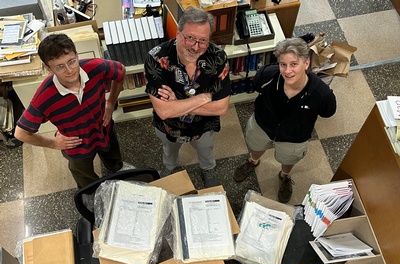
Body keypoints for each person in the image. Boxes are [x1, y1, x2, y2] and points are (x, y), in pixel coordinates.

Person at [14, 33, 126, 188]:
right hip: (76, 145)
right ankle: (90, 191)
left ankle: (117, 170)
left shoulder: (96, 67)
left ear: (77, 55)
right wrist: (53, 144)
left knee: (113, 157)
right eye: (60, 66)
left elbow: (121, 71)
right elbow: (20, 133)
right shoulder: (44, 97)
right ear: (48, 68)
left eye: (72, 61)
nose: (69, 70)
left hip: (104, 128)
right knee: (84, 175)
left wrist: (111, 102)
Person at [233, 37, 336, 203]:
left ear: (306, 63)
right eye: (283, 64)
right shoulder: (267, 75)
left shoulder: (322, 94)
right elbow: (257, 86)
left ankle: (285, 175)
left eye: (294, 64)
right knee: (256, 147)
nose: (288, 71)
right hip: (262, 126)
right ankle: (253, 161)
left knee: (288, 160)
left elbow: (328, 112)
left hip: (294, 138)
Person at [144, 6, 231, 188]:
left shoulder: (218, 58)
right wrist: (203, 98)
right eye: (190, 38)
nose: (195, 46)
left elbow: (221, 108)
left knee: (206, 151)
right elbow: (164, 112)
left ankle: (208, 168)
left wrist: (177, 103)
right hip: (170, 127)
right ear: (178, 34)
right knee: (169, 151)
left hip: (204, 127)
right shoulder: (156, 59)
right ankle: (170, 167)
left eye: (203, 40)